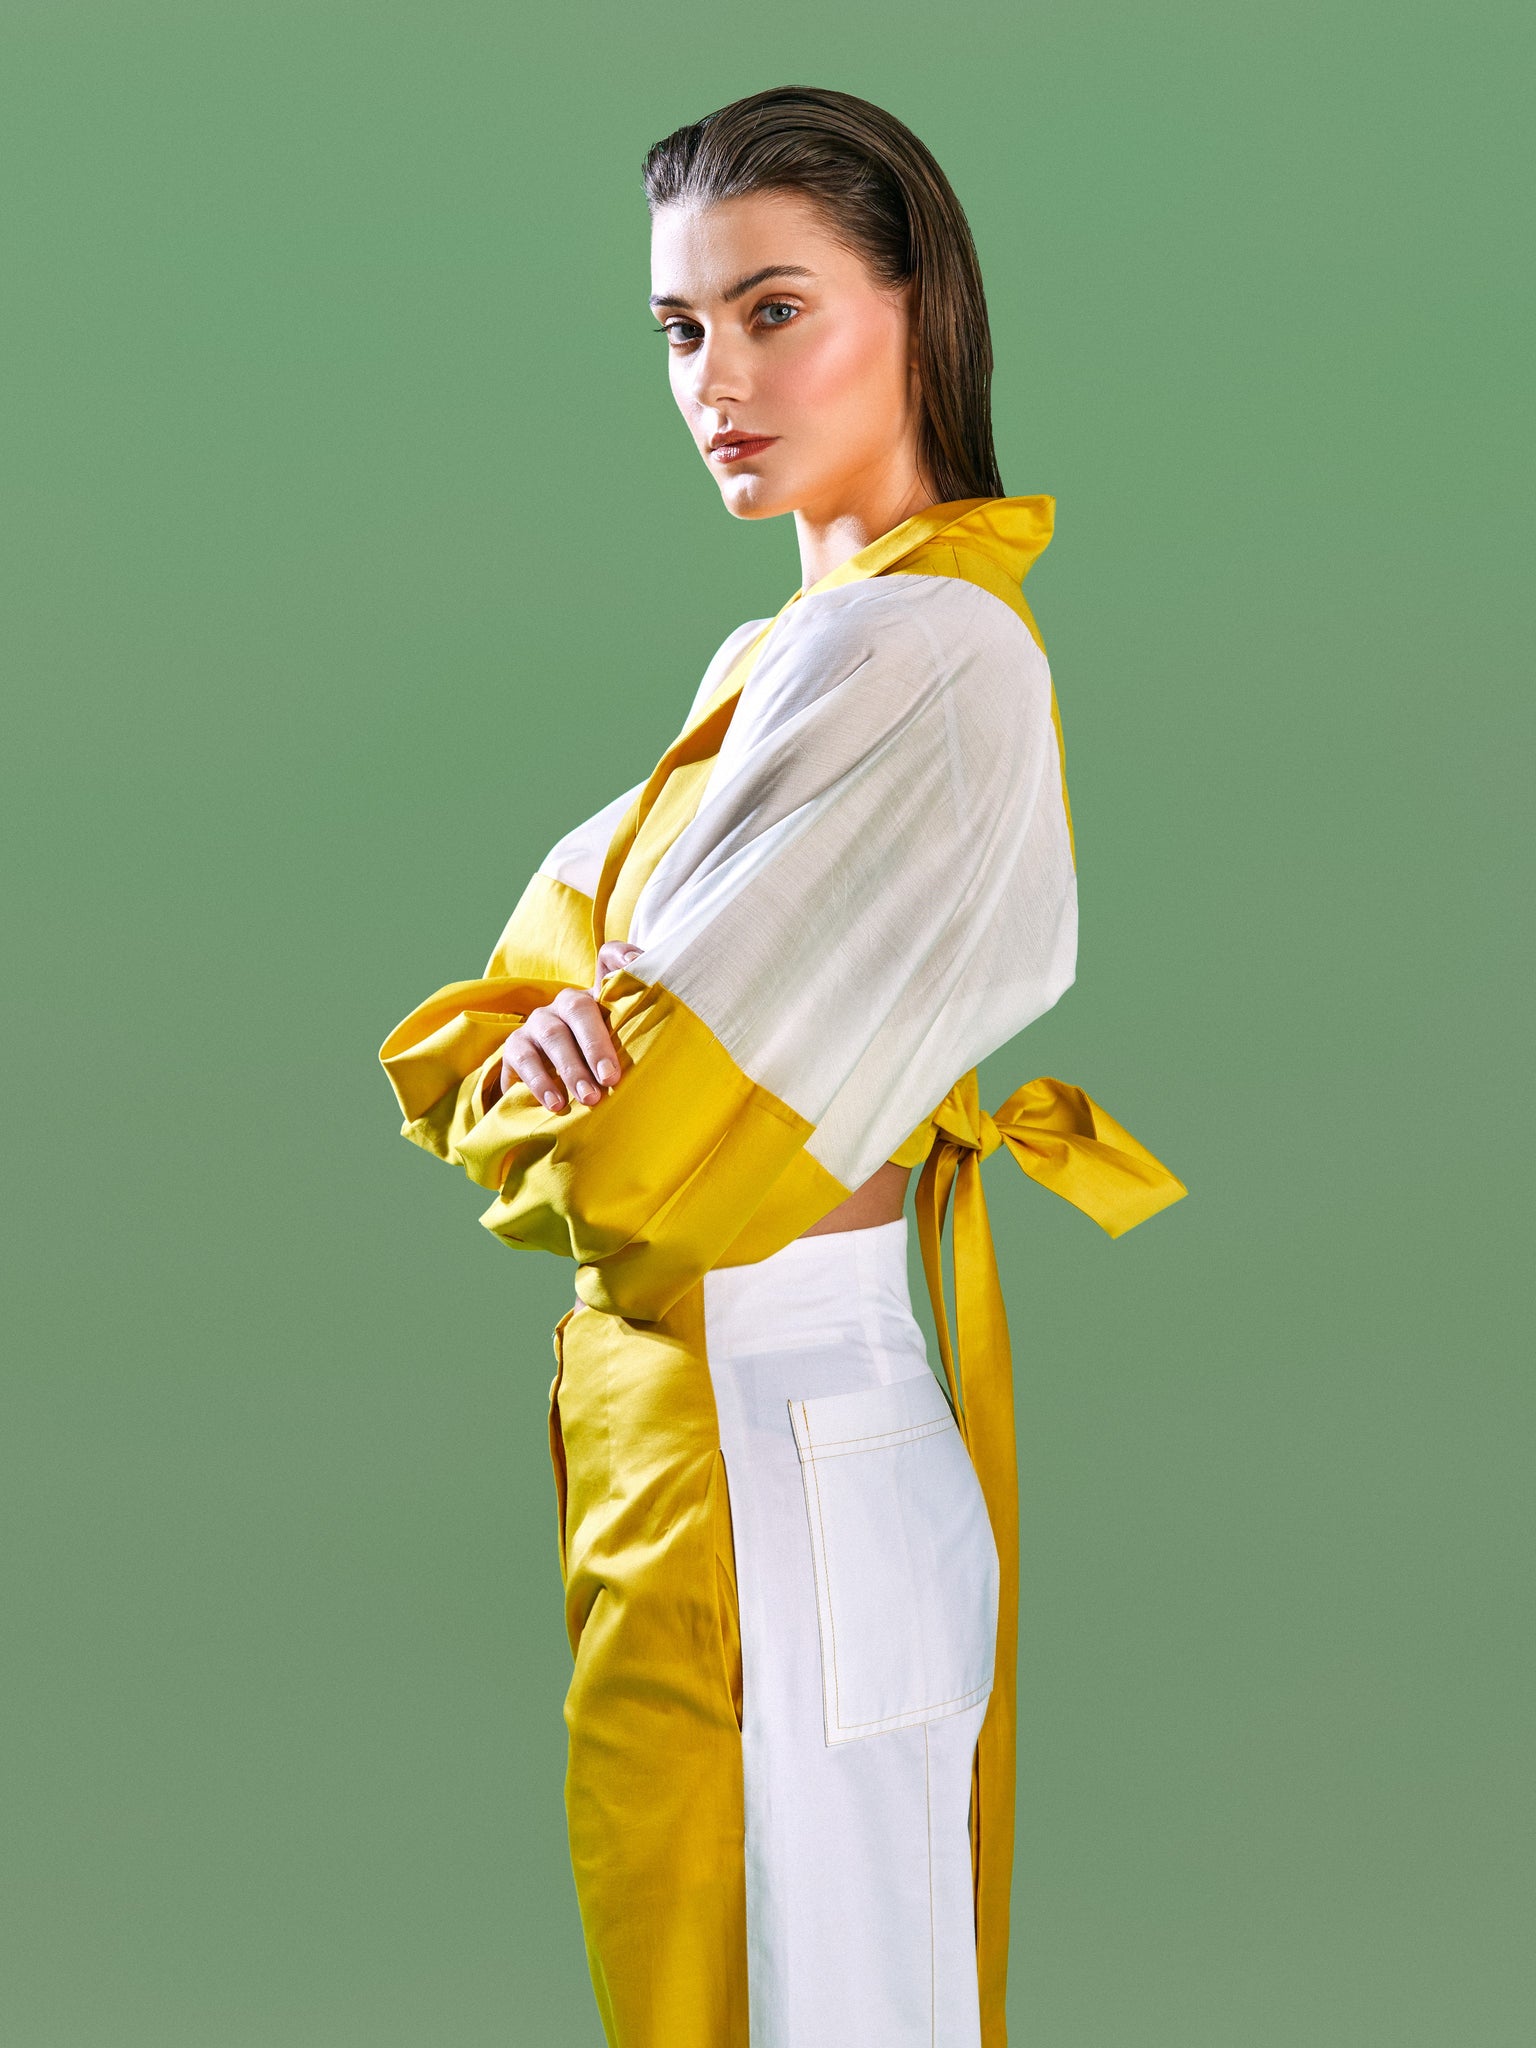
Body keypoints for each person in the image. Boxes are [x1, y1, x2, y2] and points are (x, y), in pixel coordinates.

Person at [380, 85, 1184, 2048]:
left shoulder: (922, 658)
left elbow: (627, 1164)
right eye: (680, 328)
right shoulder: (778, 660)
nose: (714, 380)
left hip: (781, 1443)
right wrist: (545, 1050)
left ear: (920, 309)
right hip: (711, 1452)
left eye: (773, 310)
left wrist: (560, 1059)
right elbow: (486, 1029)